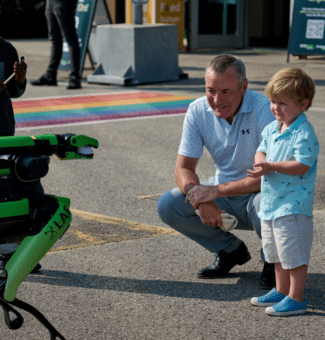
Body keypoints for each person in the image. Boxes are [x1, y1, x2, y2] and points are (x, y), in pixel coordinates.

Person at [157, 54, 276, 288]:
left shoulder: (264, 110)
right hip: (224, 198)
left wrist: (214, 192)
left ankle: (273, 259)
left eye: (226, 92)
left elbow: (270, 174)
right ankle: (230, 250)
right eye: (211, 90)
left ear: (244, 86)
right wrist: (201, 199)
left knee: (269, 201)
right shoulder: (197, 110)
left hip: (259, 194)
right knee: (168, 205)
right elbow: (183, 168)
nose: (216, 99)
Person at [249, 68, 318, 316]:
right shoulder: (272, 128)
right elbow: (261, 149)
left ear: (303, 104)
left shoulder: (303, 133)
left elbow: (303, 164)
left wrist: (270, 166)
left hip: (293, 206)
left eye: (282, 103)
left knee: (294, 255)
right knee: (275, 252)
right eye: (273, 101)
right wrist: (260, 161)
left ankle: (296, 298)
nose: (275, 108)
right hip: (271, 203)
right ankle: (281, 291)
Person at [0, 37, 41, 273]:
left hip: (3, 126)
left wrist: (20, 79)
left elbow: (14, 91)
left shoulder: (6, 49)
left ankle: (12, 250)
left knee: (9, 190)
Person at [31, 0, 81, 89]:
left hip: (64, 3)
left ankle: (75, 77)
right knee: (55, 40)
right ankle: (50, 75)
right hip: (50, 3)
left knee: (71, 39)